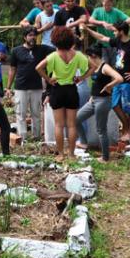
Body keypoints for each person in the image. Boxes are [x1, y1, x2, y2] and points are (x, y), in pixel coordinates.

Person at [85, 21, 130, 141]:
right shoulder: (118, 41)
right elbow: (102, 38)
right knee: (114, 104)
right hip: (118, 80)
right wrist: (88, 30)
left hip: (129, 81)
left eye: (115, 31)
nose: (113, 32)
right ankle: (126, 126)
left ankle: (129, 132)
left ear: (122, 32)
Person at [35, 26, 90, 160]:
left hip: (57, 89)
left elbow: (38, 68)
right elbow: (93, 66)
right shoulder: (77, 55)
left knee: (59, 125)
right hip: (71, 89)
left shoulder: (53, 56)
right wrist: (81, 78)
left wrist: (48, 79)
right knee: (71, 125)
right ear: (70, 40)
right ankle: (71, 154)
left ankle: (60, 154)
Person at [76, 44, 123, 161]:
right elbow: (95, 81)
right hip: (94, 100)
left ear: (93, 56)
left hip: (103, 101)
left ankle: (105, 157)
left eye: (88, 57)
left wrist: (109, 85)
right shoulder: (95, 67)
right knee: (76, 119)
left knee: (101, 130)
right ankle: (83, 142)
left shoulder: (105, 67)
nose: (87, 59)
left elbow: (119, 78)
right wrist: (91, 93)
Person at [6, 27, 53, 141]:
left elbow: (57, 49)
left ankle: (36, 136)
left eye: (34, 35)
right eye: (30, 35)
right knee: (20, 114)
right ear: (24, 37)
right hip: (21, 87)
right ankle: (22, 138)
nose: (32, 37)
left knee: (36, 113)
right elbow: (12, 69)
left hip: (36, 86)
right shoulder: (16, 51)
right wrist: (8, 87)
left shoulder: (42, 49)